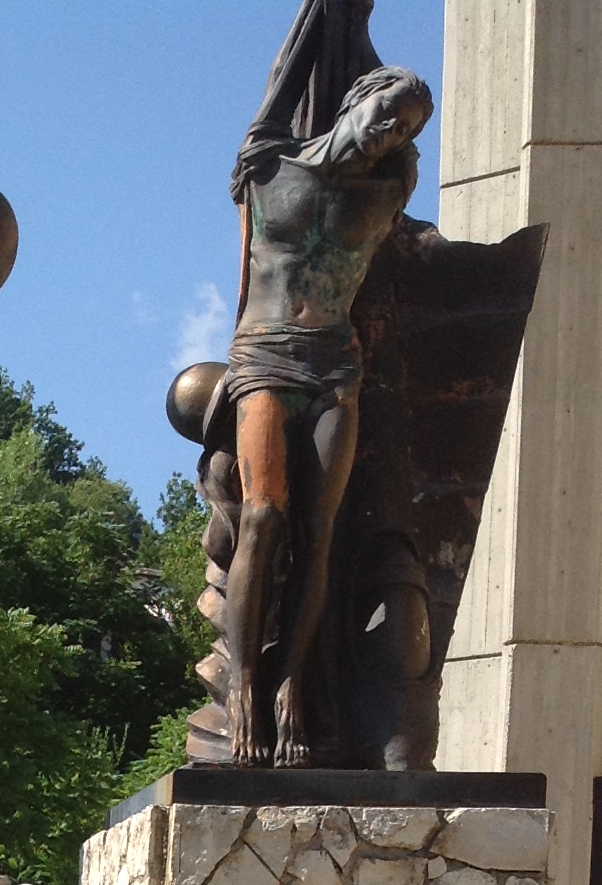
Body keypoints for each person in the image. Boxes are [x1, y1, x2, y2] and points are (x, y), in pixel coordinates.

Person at [222, 59, 431, 767]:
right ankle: (244, 685)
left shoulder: (389, 189)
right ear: (358, 99)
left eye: (406, 129)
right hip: (265, 357)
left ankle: (290, 689)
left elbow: (399, 152)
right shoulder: (266, 163)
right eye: (389, 112)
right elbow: (285, 72)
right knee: (262, 515)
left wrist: (401, 137)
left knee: (318, 532)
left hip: (336, 365)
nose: (392, 132)